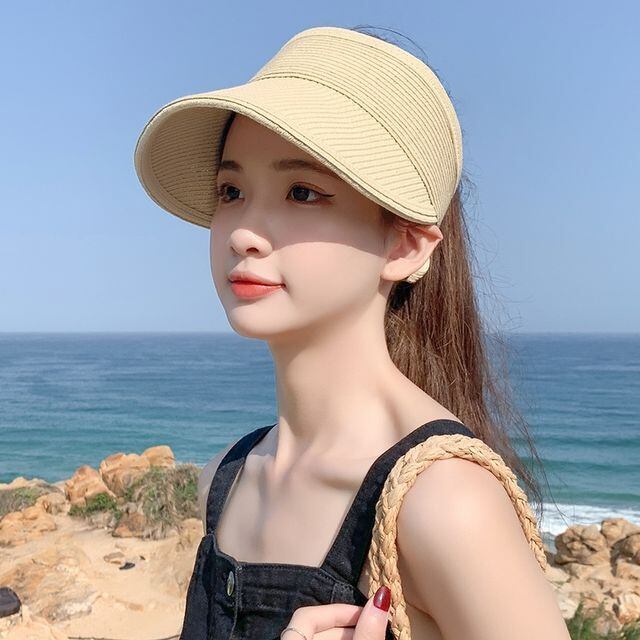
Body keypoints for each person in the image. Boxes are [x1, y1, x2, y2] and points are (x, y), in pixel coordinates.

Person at [134, 24, 570, 640]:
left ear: (405, 245)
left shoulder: (445, 504)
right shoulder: (226, 480)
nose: (243, 233)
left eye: (302, 192)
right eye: (231, 191)